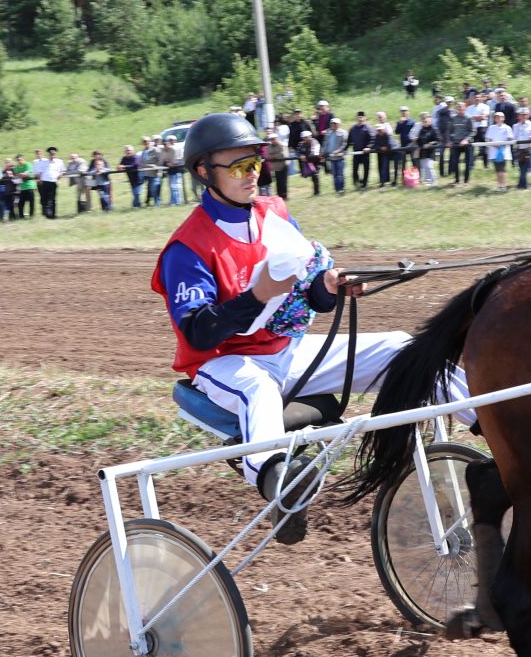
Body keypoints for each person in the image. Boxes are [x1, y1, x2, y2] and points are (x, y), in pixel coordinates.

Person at [153, 114, 473, 543]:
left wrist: (327, 288)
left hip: (287, 351)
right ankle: (278, 485)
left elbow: (305, 299)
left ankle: (496, 421)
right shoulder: (186, 248)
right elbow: (198, 333)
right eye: (239, 168)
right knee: (258, 391)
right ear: (203, 172)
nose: (254, 176)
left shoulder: (275, 213)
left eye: (256, 164)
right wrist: (256, 296)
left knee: (402, 348)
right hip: (224, 364)